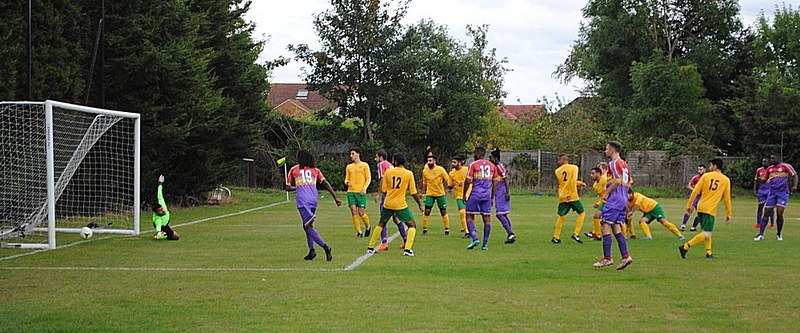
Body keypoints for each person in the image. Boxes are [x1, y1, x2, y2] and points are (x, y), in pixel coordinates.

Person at [285, 150, 341, 261]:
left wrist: (297, 188)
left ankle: (325, 247)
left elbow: (287, 187)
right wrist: (335, 197)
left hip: (303, 200)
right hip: (313, 199)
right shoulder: (315, 170)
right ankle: (312, 251)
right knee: (308, 225)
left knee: (307, 226)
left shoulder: (294, 170)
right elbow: (325, 183)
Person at [366, 153, 423, 257]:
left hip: (388, 203)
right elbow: (413, 192)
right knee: (412, 225)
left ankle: (370, 247)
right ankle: (408, 249)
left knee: (381, 223)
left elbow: (384, 189)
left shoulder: (388, 172)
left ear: (395, 162)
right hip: (400, 204)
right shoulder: (408, 173)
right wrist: (419, 204)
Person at [679, 158, 732, 259]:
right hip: (710, 210)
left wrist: (689, 205)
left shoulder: (706, 176)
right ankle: (685, 247)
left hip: (701, 207)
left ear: (715, 166)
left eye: (711, 165)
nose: (710, 167)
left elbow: (695, 191)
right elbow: (726, 199)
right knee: (707, 232)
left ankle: (709, 253)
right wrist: (729, 213)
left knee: (706, 231)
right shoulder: (726, 180)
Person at [593, 141, 634, 270]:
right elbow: (628, 182)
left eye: (606, 149)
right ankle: (625, 256)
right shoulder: (624, 164)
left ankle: (607, 258)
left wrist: (607, 193)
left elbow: (617, 180)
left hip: (615, 199)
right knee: (616, 227)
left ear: (611, 150)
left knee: (605, 224)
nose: (605, 151)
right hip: (623, 198)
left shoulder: (614, 163)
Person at [463, 147, 500, 250]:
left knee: (469, 215)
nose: (473, 155)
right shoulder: (492, 166)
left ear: (478, 154)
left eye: (474, 153)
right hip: (487, 196)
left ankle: (475, 238)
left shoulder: (473, 165)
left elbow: (467, 181)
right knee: (487, 219)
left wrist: (464, 194)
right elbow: (495, 183)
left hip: (475, 194)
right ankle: (485, 244)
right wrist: (492, 197)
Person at [754, 154, 797, 241]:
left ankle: (779, 234)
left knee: (779, 212)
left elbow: (794, 175)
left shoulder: (785, 166)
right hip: (772, 193)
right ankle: (761, 234)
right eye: (771, 158)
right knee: (766, 212)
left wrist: (795, 185)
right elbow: (765, 180)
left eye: (773, 158)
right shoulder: (770, 169)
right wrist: (759, 180)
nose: (771, 160)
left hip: (782, 193)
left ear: (778, 158)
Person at [373, 149, 407, 251]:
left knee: (383, 219)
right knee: (396, 219)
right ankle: (405, 240)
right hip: (396, 195)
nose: (375, 159)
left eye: (376, 157)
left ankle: (384, 243)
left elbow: (383, 179)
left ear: (381, 157)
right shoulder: (390, 165)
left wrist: (379, 193)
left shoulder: (381, 165)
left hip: (387, 196)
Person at [552, 154, 587, 244]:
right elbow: (571, 182)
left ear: (563, 160)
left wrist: (579, 183)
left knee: (561, 216)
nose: (558, 162)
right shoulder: (574, 168)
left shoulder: (557, 171)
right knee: (582, 213)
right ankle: (576, 233)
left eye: (559, 160)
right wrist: (570, 194)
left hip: (562, 195)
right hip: (572, 196)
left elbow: (565, 182)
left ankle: (556, 237)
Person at [489, 148, 516, 244]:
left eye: (491, 157)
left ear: (496, 158)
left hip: (502, 191)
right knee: (503, 214)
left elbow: (505, 179)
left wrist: (507, 192)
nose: (490, 159)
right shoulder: (494, 167)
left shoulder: (499, 166)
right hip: (499, 192)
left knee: (500, 214)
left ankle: (510, 233)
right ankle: (511, 234)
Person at [421, 154, 452, 235]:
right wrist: (423, 193)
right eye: (428, 161)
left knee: (443, 211)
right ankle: (424, 229)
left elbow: (447, 179)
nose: (429, 162)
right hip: (430, 194)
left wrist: (449, 186)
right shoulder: (425, 171)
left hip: (440, 194)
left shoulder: (440, 170)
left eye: (430, 161)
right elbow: (424, 183)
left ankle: (447, 230)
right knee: (427, 211)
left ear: (434, 161)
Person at [345, 147, 371, 237]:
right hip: (351, 192)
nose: (351, 156)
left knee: (361, 212)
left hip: (360, 192)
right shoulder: (349, 166)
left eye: (353, 154)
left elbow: (368, 178)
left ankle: (368, 226)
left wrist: (364, 188)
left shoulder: (364, 165)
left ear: (358, 154)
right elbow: (346, 179)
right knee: (353, 211)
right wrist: (347, 182)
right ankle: (359, 232)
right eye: (350, 154)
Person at [584, 164, 609, 241]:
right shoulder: (595, 185)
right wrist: (598, 203)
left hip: (613, 202)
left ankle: (624, 235)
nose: (591, 175)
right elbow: (602, 196)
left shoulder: (605, 179)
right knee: (597, 216)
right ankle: (597, 235)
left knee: (614, 221)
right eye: (591, 174)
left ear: (599, 173)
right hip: (605, 202)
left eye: (593, 173)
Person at [152, 175, 180, 240]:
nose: (162, 211)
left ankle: (162, 234)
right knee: (176, 237)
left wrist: (160, 183)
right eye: (160, 211)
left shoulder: (162, 204)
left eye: (161, 209)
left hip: (165, 223)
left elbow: (159, 195)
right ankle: (162, 235)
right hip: (163, 226)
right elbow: (158, 226)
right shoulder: (158, 220)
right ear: (157, 213)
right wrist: (158, 232)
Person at [448, 155, 470, 238]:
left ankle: (471, 228)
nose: (453, 164)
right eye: (452, 162)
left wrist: (465, 183)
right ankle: (467, 232)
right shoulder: (452, 173)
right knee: (462, 212)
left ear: (460, 162)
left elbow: (472, 180)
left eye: (455, 162)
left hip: (468, 194)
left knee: (470, 213)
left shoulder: (466, 169)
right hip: (459, 196)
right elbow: (449, 186)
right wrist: (452, 185)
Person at [680, 164, 706, 232]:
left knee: (700, 213)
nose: (699, 171)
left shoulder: (707, 178)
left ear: (704, 170)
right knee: (689, 209)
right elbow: (689, 185)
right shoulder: (696, 178)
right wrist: (695, 191)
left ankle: (693, 227)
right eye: (698, 169)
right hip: (695, 197)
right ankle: (683, 225)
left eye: (701, 169)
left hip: (703, 198)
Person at [753, 157, 774, 229]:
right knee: (760, 207)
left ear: (769, 163)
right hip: (761, 191)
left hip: (770, 190)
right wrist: (755, 189)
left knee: (770, 208)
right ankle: (758, 224)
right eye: (763, 162)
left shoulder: (772, 170)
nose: (764, 163)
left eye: (765, 162)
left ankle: (772, 224)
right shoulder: (759, 170)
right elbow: (756, 180)